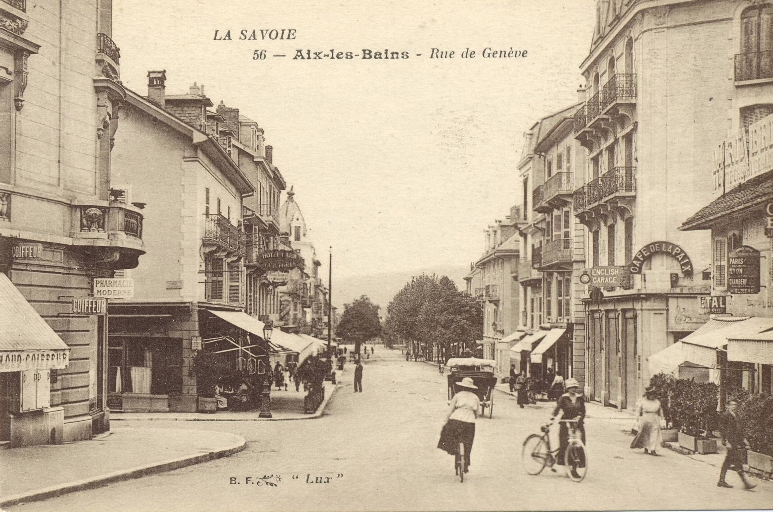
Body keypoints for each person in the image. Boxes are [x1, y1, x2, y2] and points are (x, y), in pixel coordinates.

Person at [437, 377, 480, 474]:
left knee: (449, 435)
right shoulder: (475, 397)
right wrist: (473, 417)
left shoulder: (458, 395)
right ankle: (465, 465)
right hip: (469, 423)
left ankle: (454, 452)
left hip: (456, 421)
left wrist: (445, 420)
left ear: (462, 386)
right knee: (468, 443)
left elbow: (450, 410)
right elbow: (477, 413)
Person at [717, 399, 756, 490]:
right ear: (728, 406)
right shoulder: (725, 415)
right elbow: (722, 429)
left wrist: (744, 439)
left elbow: (738, 429)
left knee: (728, 461)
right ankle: (745, 483)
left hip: (735, 441)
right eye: (732, 405)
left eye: (735, 405)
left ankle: (721, 480)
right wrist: (726, 442)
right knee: (737, 461)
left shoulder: (735, 415)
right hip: (730, 442)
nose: (734, 406)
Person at [551, 377, 586, 479]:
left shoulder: (579, 398)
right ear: (567, 388)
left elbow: (583, 411)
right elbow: (556, 410)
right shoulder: (563, 398)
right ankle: (567, 465)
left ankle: (574, 469)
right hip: (565, 424)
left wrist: (580, 416)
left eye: (575, 387)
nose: (573, 389)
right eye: (571, 388)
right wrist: (551, 420)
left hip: (577, 424)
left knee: (578, 446)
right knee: (566, 445)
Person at [630, 386, 664, 455]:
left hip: (655, 418)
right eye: (650, 394)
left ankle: (653, 449)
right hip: (645, 417)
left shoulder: (657, 402)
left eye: (653, 394)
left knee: (654, 433)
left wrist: (662, 418)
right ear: (647, 395)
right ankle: (646, 447)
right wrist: (636, 419)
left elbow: (660, 410)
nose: (652, 396)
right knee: (645, 433)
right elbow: (638, 410)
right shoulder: (643, 401)